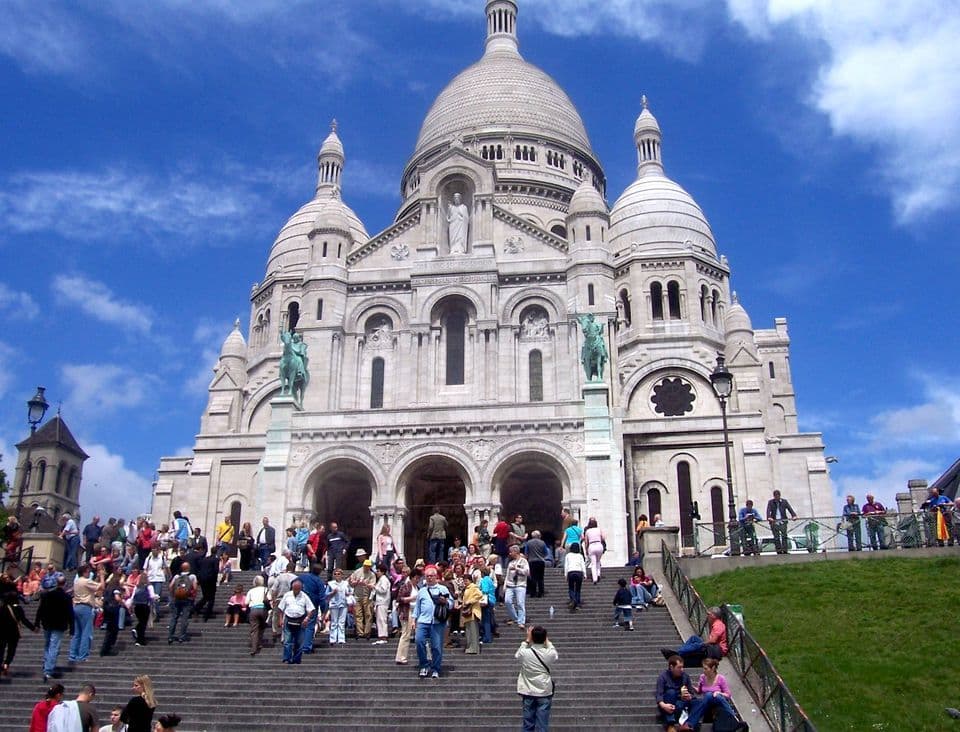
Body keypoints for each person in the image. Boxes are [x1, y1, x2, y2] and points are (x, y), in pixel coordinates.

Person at [683, 658, 746, 730]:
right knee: (704, 697)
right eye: (703, 668)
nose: (704, 671)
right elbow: (699, 691)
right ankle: (690, 725)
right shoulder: (702, 677)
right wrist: (691, 687)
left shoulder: (720, 678)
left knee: (712, 695)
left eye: (706, 669)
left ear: (712, 668)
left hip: (718, 702)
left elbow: (728, 695)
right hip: (707, 702)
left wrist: (719, 693)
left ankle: (690, 723)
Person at [516, 625, 557, 732]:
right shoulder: (549, 653)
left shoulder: (525, 653)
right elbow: (554, 653)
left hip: (528, 690)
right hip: (544, 691)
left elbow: (518, 655)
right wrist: (546, 640)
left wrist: (527, 640)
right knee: (543, 724)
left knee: (528, 723)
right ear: (545, 638)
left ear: (532, 637)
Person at [414, 564, 452, 679]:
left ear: (436, 577)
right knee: (419, 641)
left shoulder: (443, 589)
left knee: (436, 646)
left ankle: (436, 668)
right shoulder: (422, 591)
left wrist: (445, 601)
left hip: (437, 622)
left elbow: (451, 604)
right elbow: (417, 607)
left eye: (432, 576)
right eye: (427, 576)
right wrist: (413, 620)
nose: (429, 578)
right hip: (423, 621)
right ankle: (424, 665)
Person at [36, 573, 73, 681]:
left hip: (47, 623)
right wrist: (72, 628)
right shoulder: (66, 597)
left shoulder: (48, 595)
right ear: (65, 584)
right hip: (59, 624)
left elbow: (40, 609)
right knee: (54, 646)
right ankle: (48, 669)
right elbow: (70, 613)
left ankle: (47, 663)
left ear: (56, 583)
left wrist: (37, 623)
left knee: (48, 644)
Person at [662, 606, 728, 662]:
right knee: (694, 638)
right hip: (713, 648)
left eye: (708, 614)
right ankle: (680, 651)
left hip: (717, 651)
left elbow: (713, 640)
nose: (707, 616)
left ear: (713, 616)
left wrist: (703, 643)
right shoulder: (716, 624)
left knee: (697, 645)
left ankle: (678, 654)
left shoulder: (718, 625)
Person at [69, 564, 106, 663]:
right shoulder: (86, 581)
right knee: (86, 632)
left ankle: (72, 655)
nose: (89, 573)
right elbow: (101, 587)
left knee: (77, 633)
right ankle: (82, 656)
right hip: (86, 607)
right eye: (88, 571)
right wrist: (102, 576)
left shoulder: (76, 582)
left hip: (76, 606)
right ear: (85, 571)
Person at [0, 587, 37, 676]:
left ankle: (1, 664)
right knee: (11, 650)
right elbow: (24, 620)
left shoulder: (2, 608)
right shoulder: (18, 608)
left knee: (1, 650)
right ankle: (6, 664)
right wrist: (33, 628)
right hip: (13, 633)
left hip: (2, 633)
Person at [277, 578, 315, 664]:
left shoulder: (304, 596)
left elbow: (311, 609)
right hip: (288, 619)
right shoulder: (287, 595)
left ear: (301, 588)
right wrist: (280, 619)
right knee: (287, 641)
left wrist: (307, 618)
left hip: (300, 620)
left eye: (298, 589)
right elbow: (280, 608)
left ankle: (297, 659)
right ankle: (287, 658)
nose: (296, 591)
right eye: (295, 589)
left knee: (299, 641)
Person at [656, 655, 694, 730]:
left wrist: (689, 696)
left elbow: (692, 693)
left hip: (680, 704)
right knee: (671, 692)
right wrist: (664, 705)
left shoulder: (685, 676)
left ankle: (685, 724)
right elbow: (659, 694)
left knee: (698, 702)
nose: (682, 670)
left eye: (682, 667)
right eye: (679, 667)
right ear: (671, 667)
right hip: (667, 704)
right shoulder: (663, 677)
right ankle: (670, 724)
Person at [394, 567, 420, 665]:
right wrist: (411, 598)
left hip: (415, 612)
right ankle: (401, 657)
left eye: (418, 578)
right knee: (406, 633)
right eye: (416, 578)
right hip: (406, 611)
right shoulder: (406, 586)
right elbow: (399, 599)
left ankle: (423, 656)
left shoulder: (417, 588)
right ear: (412, 577)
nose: (417, 580)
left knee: (418, 634)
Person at [167, 561, 197, 644]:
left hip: (177, 599)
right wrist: (192, 596)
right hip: (187, 599)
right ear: (188, 568)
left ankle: (170, 636)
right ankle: (182, 636)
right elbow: (195, 588)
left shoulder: (177, 576)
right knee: (184, 618)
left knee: (174, 617)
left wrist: (173, 595)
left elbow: (170, 586)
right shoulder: (192, 576)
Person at [349, 555, 376, 639]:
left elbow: (373, 586)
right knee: (358, 614)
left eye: (369, 566)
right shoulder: (357, 572)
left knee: (368, 614)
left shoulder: (372, 575)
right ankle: (360, 632)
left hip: (367, 596)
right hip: (357, 596)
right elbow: (351, 582)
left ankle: (367, 631)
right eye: (366, 566)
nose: (367, 568)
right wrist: (356, 582)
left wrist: (366, 584)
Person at [504, 544, 530, 629]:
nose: (510, 554)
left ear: (516, 552)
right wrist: (505, 585)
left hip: (520, 584)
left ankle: (521, 621)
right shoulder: (510, 562)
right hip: (510, 584)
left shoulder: (524, 561)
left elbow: (527, 572)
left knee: (520, 603)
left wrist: (517, 569)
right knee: (507, 601)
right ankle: (515, 617)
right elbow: (507, 574)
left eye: (511, 552)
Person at [129, 574, 157, 647]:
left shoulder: (136, 587)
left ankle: (139, 634)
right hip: (145, 606)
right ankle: (140, 640)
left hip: (137, 606)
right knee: (143, 623)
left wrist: (130, 606)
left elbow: (132, 597)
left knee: (141, 621)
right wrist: (156, 597)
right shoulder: (149, 586)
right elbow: (152, 596)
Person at [765, 490, 797, 554]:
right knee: (776, 537)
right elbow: (768, 510)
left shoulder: (784, 501)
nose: (777, 497)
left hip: (783, 521)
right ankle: (779, 551)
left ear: (780, 495)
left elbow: (789, 508)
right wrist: (769, 517)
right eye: (775, 496)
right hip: (774, 522)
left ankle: (785, 550)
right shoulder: (771, 502)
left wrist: (794, 515)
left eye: (778, 496)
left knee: (784, 536)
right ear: (774, 496)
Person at [325, 567, 351, 645]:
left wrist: (348, 594)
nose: (337, 575)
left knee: (341, 622)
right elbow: (326, 594)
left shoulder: (346, 583)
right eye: (335, 574)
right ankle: (333, 638)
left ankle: (341, 638)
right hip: (334, 604)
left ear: (342, 575)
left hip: (343, 604)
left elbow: (350, 592)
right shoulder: (331, 584)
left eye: (338, 574)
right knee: (334, 622)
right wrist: (332, 592)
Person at [244, 575, 269, 656]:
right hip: (263, 610)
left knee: (254, 629)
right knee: (262, 627)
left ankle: (254, 648)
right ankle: (260, 642)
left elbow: (246, 603)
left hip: (253, 610)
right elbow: (270, 598)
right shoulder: (266, 589)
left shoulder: (251, 591)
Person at [194, 548, 220, 621]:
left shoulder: (204, 559)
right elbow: (216, 570)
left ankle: (197, 608)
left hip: (202, 579)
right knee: (211, 597)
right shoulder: (215, 560)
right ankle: (207, 614)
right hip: (210, 580)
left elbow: (200, 569)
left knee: (205, 596)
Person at [460, 573, 483, 655]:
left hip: (472, 611)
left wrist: (470, 601)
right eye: (464, 581)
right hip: (467, 612)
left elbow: (480, 595)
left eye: (466, 580)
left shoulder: (473, 587)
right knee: (468, 631)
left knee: (473, 631)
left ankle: (474, 648)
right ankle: (470, 647)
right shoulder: (466, 588)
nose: (465, 582)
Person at [525, 530, 548, 598]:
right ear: (539, 536)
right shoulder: (542, 543)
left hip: (531, 561)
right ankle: (541, 592)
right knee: (540, 578)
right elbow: (546, 552)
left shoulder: (528, 543)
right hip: (540, 561)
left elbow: (526, 553)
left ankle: (533, 592)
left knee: (533, 577)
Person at [564, 542, 586, 610]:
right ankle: (577, 603)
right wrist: (585, 574)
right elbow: (583, 565)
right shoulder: (580, 555)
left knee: (571, 587)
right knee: (578, 589)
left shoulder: (568, 555)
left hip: (571, 572)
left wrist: (565, 575)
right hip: (579, 572)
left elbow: (566, 565)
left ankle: (573, 599)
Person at [372, 564, 391, 645]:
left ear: (382, 572)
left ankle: (383, 636)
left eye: (378, 571)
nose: (377, 572)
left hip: (382, 602)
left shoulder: (384, 579)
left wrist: (374, 587)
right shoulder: (381, 579)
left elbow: (383, 590)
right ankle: (381, 636)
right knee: (379, 620)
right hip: (380, 602)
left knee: (382, 619)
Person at [583, 517, 606, 583]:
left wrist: (586, 550)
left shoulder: (587, 531)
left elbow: (586, 542)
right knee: (598, 561)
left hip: (591, 546)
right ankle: (598, 574)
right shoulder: (599, 529)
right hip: (599, 545)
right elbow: (603, 538)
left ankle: (595, 578)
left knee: (593, 563)